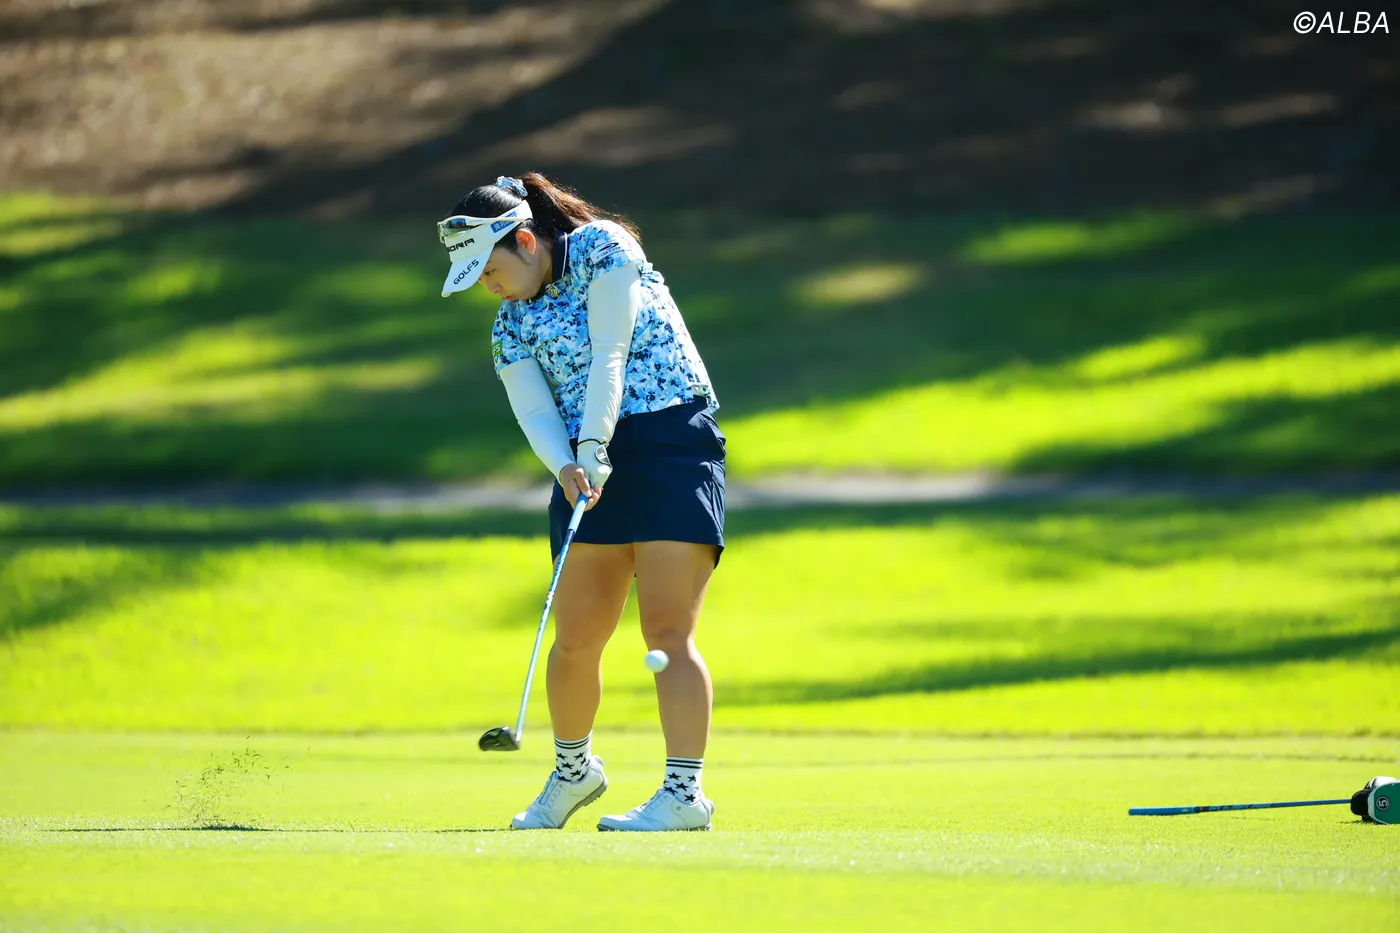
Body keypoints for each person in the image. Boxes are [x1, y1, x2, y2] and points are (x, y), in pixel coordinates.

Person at [437, 173, 726, 831]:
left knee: (666, 633)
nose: (489, 287)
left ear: (526, 241)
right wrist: (566, 465)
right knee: (574, 640)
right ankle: (574, 772)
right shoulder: (510, 323)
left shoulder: (604, 247)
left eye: (490, 269)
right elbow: (534, 410)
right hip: (586, 470)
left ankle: (683, 794)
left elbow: (610, 353)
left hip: (671, 442)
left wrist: (593, 443)